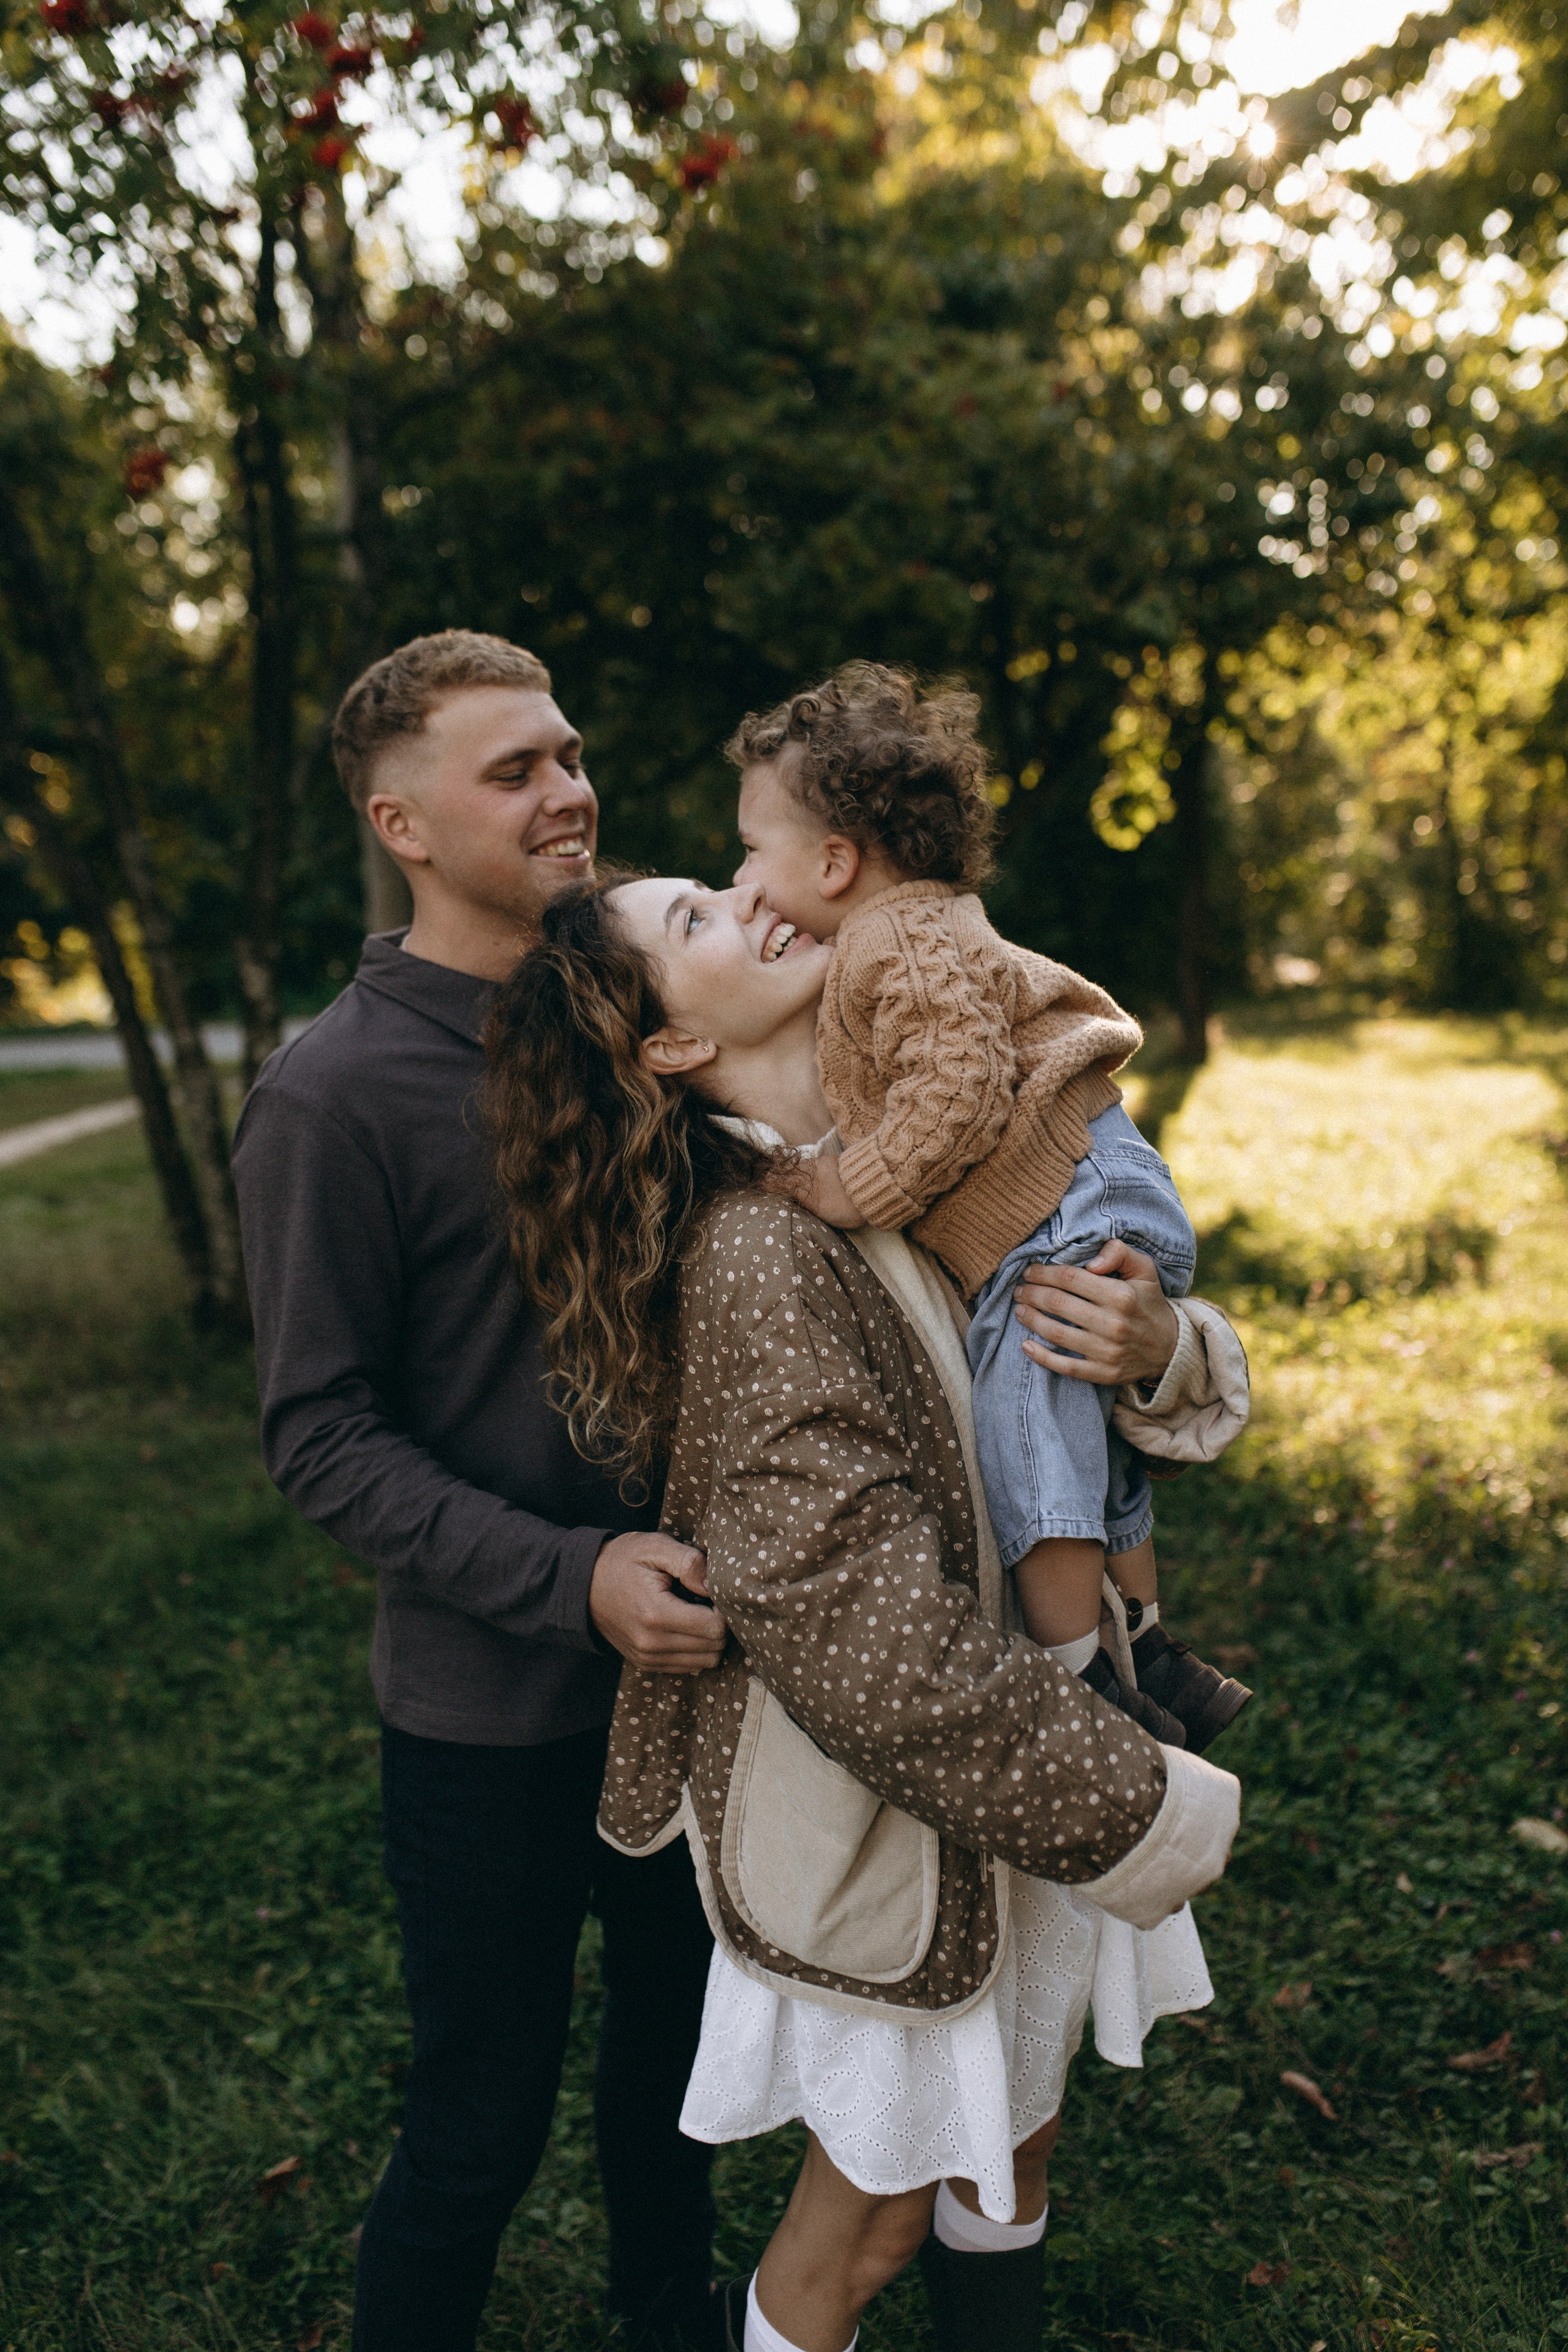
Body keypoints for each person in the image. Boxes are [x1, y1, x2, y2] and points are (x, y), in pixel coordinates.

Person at [484, 870, 1247, 2352]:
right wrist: (1140, 1804)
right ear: (665, 1051)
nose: (750, 902)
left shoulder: (912, 1159)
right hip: (905, 1816)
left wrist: (1158, 1347)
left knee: (1016, 2138)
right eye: (694, 925)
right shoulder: (762, 1250)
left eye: (719, 884)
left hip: (1014, 1775)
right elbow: (858, 1643)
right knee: (874, 2215)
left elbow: (1067, 1415)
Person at [230, 632, 731, 2352]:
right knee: (476, 2128)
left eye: (570, 754)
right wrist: (571, 1574)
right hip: (488, 1720)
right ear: (404, 823)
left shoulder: (659, 1018)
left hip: (709, 1689)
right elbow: (320, 1432)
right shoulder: (331, 1095)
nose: (569, 791)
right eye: (513, 769)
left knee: (687, 2111)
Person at [727, 662, 1251, 1754]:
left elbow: (957, 1090)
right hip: (1075, 1181)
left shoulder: (894, 937)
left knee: (1029, 1422)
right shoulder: (903, 935)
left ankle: (1079, 1688)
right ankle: (1149, 1646)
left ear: (834, 861)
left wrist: (847, 1185)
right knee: (1086, 1434)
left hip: (1065, 1191)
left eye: (747, 852)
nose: (741, 882)